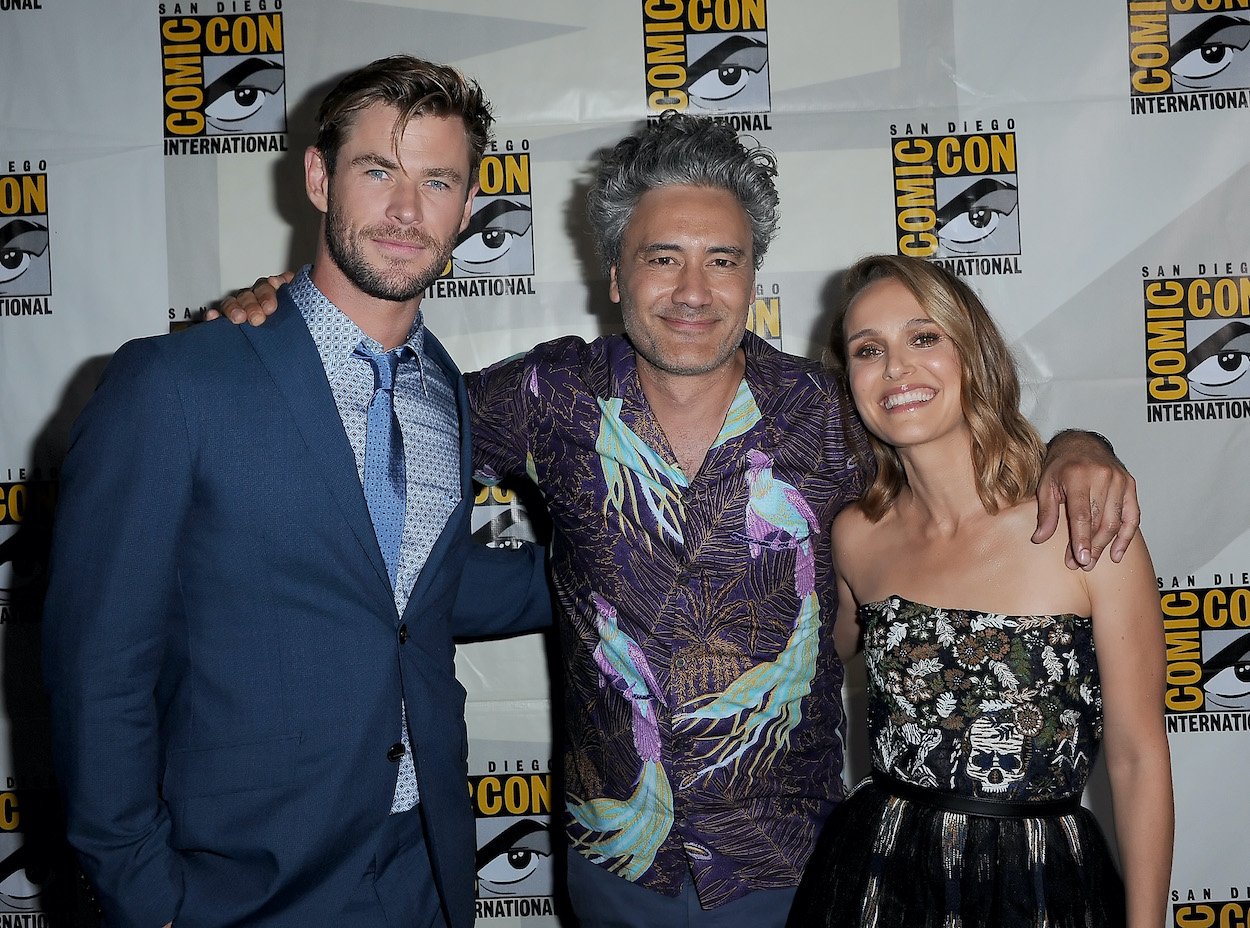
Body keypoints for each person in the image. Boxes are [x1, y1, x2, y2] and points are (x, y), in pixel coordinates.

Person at [216, 113, 1141, 928]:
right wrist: (291, 324)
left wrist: (1079, 446)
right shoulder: (552, 395)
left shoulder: (831, 414)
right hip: (618, 865)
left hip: (802, 870)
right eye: (662, 258)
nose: (693, 291)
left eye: (722, 260)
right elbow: (385, 417)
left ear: (752, 277)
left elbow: (957, 455)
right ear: (614, 275)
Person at [41, 56, 550, 928]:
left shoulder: (448, 392)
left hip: (425, 874)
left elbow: (415, 591)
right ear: (319, 177)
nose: (404, 210)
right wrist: (143, 894)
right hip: (237, 888)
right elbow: (98, 668)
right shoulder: (176, 383)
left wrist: (643, 566)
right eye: (377, 170)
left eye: (437, 181)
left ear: (467, 210)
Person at [786, 254, 1172, 927]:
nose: (897, 368)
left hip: (1039, 886)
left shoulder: (1083, 532)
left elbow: (1138, 761)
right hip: (880, 880)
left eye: (924, 337)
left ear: (975, 354)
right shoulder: (855, 535)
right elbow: (817, 655)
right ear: (849, 381)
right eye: (868, 350)